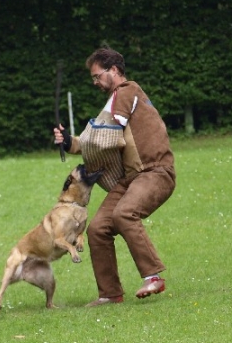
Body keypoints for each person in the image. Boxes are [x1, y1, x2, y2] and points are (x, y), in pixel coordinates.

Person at [53, 47, 176, 306]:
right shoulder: (114, 99)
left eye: (98, 76)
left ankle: (153, 276)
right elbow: (98, 139)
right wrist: (68, 142)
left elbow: (104, 138)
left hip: (155, 172)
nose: (95, 82)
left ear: (115, 71)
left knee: (123, 215)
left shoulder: (127, 91)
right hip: (132, 178)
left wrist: (75, 143)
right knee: (98, 229)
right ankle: (109, 294)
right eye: (93, 78)